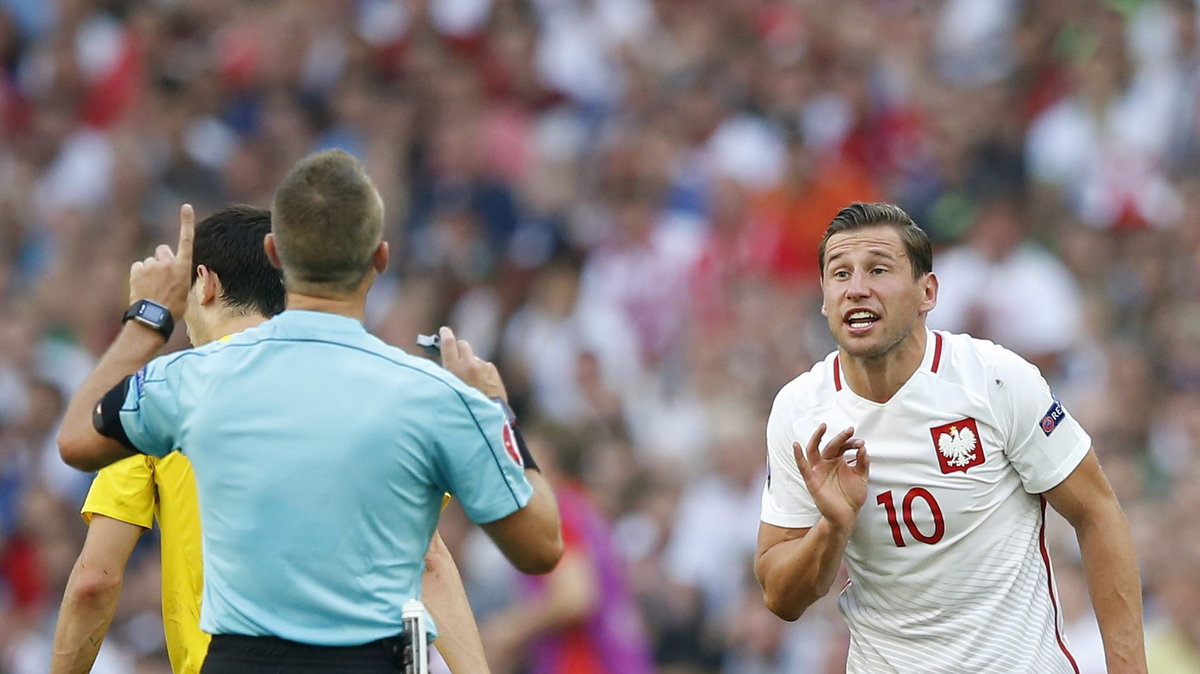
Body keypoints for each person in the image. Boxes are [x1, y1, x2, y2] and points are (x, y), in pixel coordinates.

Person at [57, 150, 563, 672]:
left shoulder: (187, 380)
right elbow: (538, 547)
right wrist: (496, 408)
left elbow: (76, 441)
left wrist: (149, 318)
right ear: (380, 259)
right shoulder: (428, 394)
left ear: (277, 254)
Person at [755, 202, 1146, 673]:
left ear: (928, 292)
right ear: (823, 298)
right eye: (840, 274)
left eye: (878, 270)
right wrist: (832, 528)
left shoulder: (994, 379)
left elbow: (1098, 512)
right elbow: (781, 597)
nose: (857, 289)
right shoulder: (800, 410)